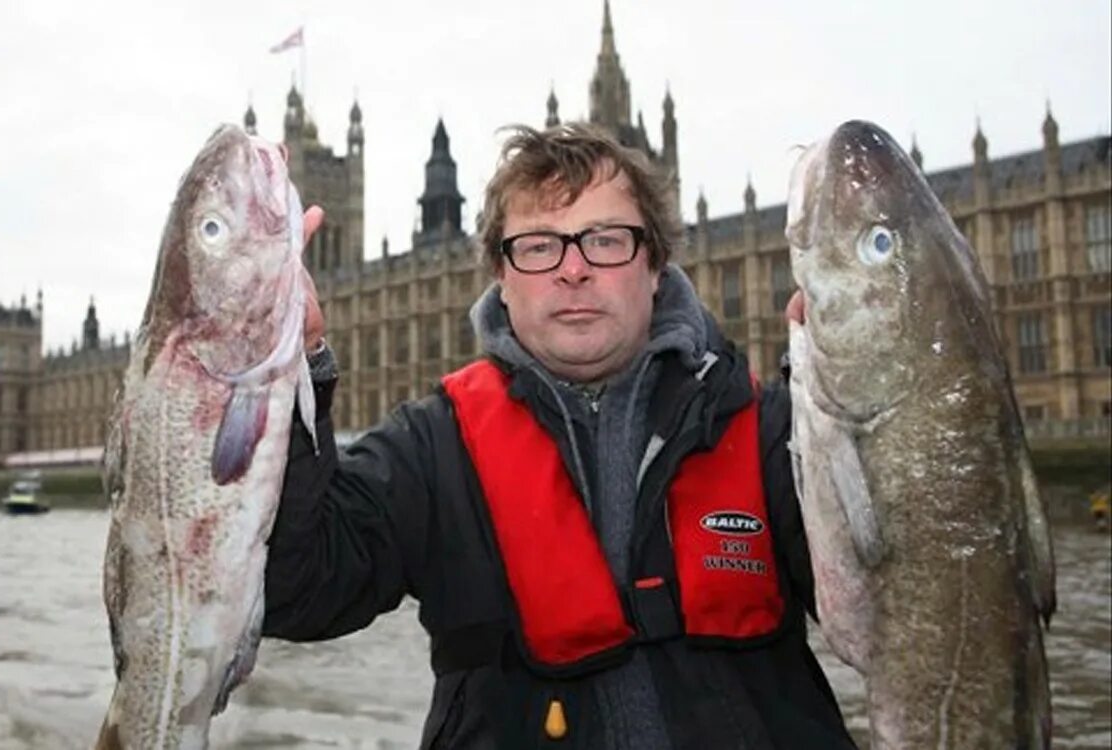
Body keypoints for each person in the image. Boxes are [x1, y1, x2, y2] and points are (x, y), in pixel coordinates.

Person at [263, 123, 853, 749]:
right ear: (501, 272)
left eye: (605, 240)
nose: (574, 270)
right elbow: (295, 588)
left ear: (655, 262)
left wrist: (863, 408)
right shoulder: (436, 447)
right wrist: (279, 380)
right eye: (540, 246)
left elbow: (908, 597)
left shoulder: (776, 434)